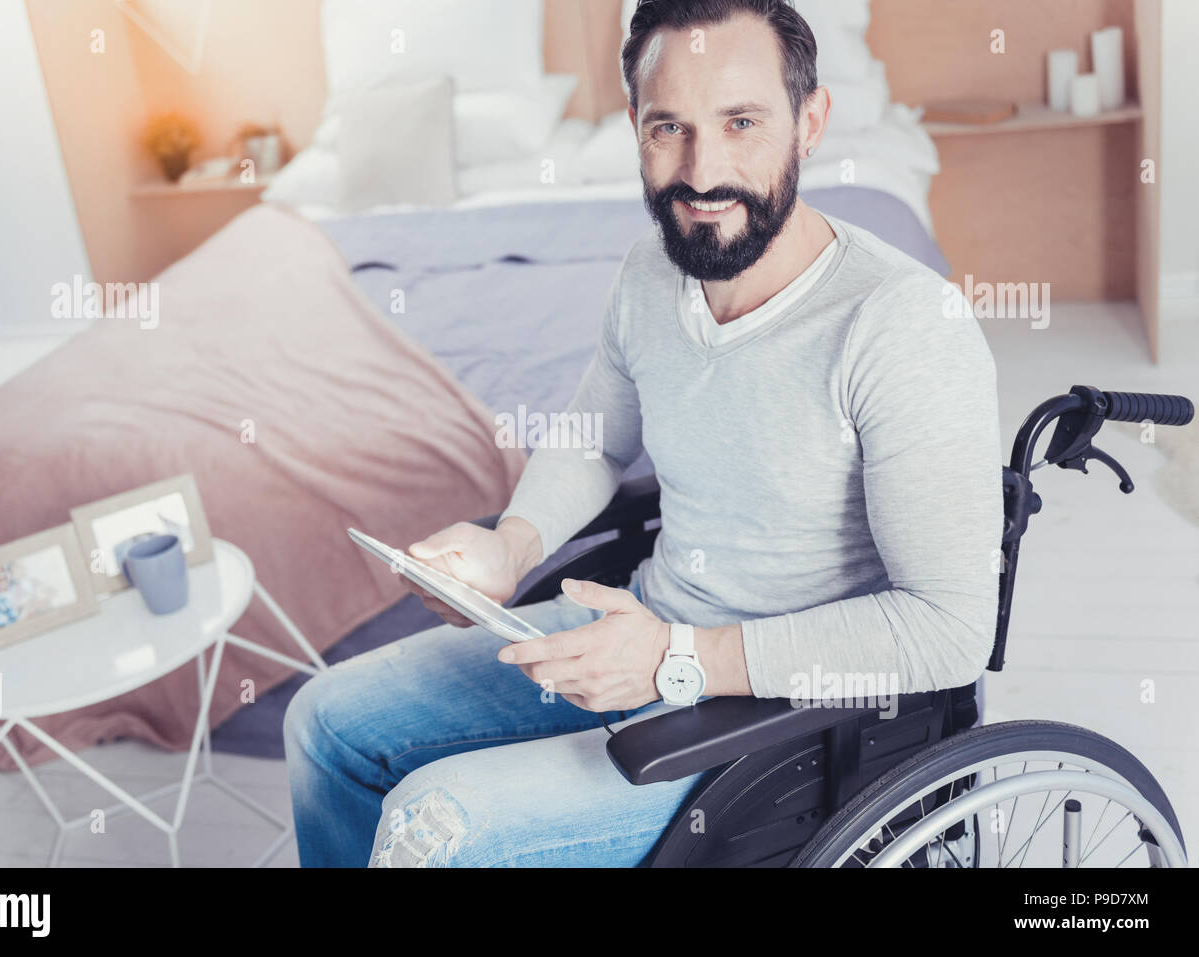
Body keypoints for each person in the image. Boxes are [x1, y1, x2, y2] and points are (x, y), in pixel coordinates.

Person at [285, 0, 1001, 867]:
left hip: (787, 722)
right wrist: (510, 547)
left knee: (432, 823)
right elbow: (595, 437)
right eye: (671, 127)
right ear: (634, 126)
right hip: (643, 631)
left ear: (809, 122)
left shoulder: (901, 324)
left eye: (742, 122)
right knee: (324, 722)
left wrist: (676, 659)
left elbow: (947, 629)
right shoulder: (649, 274)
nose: (703, 172)